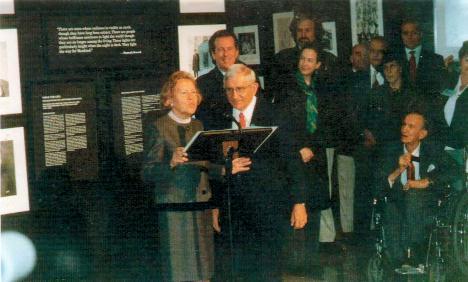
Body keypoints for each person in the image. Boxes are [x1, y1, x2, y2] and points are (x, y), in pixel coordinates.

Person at [213, 64, 308, 281]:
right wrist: (215, 206)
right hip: (233, 208)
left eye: (240, 89)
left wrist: (299, 202)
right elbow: (214, 164)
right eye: (229, 90)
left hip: (270, 208)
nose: (234, 95)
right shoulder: (220, 115)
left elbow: (292, 162)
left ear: (255, 87)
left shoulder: (276, 115)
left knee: (268, 271)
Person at [141, 71, 214, 282]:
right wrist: (170, 163)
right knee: (181, 273)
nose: (192, 98)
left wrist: (227, 167)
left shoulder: (199, 126)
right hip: (175, 210)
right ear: (170, 99)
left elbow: (204, 164)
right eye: (185, 93)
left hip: (200, 206)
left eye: (194, 92)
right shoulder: (158, 127)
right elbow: (147, 172)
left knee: (204, 271)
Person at [274, 43, 337, 278]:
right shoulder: (287, 86)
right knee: (296, 203)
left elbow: (328, 122)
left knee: (315, 205)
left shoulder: (323, 89)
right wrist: (299, 147)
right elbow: (282, 123)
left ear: (318, 64)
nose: (305, 63)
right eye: (303, 58)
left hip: (316, 154)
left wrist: (312, 146)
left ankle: (311, 258)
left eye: (310, 60)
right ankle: (294, 260)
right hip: (294, 153)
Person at [376, 112, 459, 269]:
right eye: (404, 124)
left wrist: (427, 181)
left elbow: (455, 170)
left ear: (422, 134)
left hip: (426, 202)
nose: (404, 129)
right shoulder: (391, 150)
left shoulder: (432, 149)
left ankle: (415, 254)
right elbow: (378, 186)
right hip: (398, 201)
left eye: (411, 126)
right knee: (391, 211)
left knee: (414, 196)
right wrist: (397, 170)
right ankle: (399, 261)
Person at [267, 11, 339, 100]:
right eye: (299, 30)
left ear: (316, 32)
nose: (303, 35)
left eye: (307, 30)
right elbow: (272, 94)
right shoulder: (281, 58)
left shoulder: (329, 59)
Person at [434, 41, 468, 191]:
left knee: (457, 193)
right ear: (460, 60)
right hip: (437, 146)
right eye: (467, 60)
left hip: (459, 150)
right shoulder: (449, 79)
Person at [196, 30, 240, 130]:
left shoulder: (250, 78)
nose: (226, 54)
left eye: (229, 49)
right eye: (221, 49)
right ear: (213, 54)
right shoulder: (202, 83)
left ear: (236, 52)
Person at [397, 19, 446, 97]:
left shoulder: (436, 59)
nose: (410, 37)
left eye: (414, 33)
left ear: (421, 34)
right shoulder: (394, 58)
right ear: (401, 35)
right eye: (405, 33)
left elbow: (439, 89)